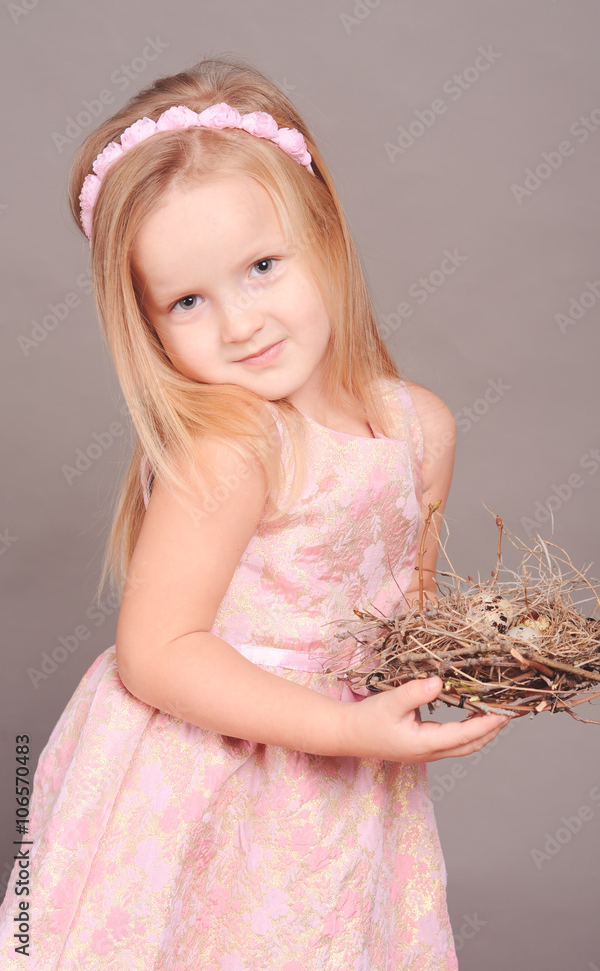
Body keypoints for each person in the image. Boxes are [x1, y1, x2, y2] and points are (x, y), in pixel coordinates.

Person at [0, 55, 511, 970]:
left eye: (263, 267)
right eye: (188, 301)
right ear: (149, 325)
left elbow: (406, 613)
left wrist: (485, 660)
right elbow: (158, 651)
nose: (239, 325)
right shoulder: (234, 447)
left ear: (326, 235)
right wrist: (345, 730)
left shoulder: (417, 428)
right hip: (209, 775)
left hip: (340, 783)